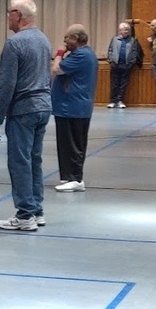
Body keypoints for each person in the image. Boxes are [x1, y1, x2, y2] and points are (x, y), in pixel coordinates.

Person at [0, 0, 52, 231]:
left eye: (9, 12)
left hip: (23, 110)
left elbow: (6, 85)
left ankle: (25, 215)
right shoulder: (44, 40)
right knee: (34, 160)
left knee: (19, 162)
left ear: (17, 14)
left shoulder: (14, 44)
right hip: (43, 107)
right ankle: (37, 210)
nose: (7, 17)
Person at [51, 24, 98, 192]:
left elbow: (57, 69)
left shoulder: (81, 55)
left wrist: (58, 55)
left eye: (67, 38)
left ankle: (76, 178)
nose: (64, 41)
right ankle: (68, 176)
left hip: (73, 107)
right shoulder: (83, 54)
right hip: (69, 107)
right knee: (65, 143)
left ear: (76, 39)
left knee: (73, 143)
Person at [105, 21, 142, 108]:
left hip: (126, 65)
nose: (126, 31)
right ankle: (113, 101)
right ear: (120, 31)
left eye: (127, 30)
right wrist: (110, 60)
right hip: (115, 64)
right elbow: (110, 50)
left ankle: (120, 100)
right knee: (114, 83)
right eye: (124, 30)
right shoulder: (114, 39)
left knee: (123, 84)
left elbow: (134, 52)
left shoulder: (132, 40)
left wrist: (131, 63)